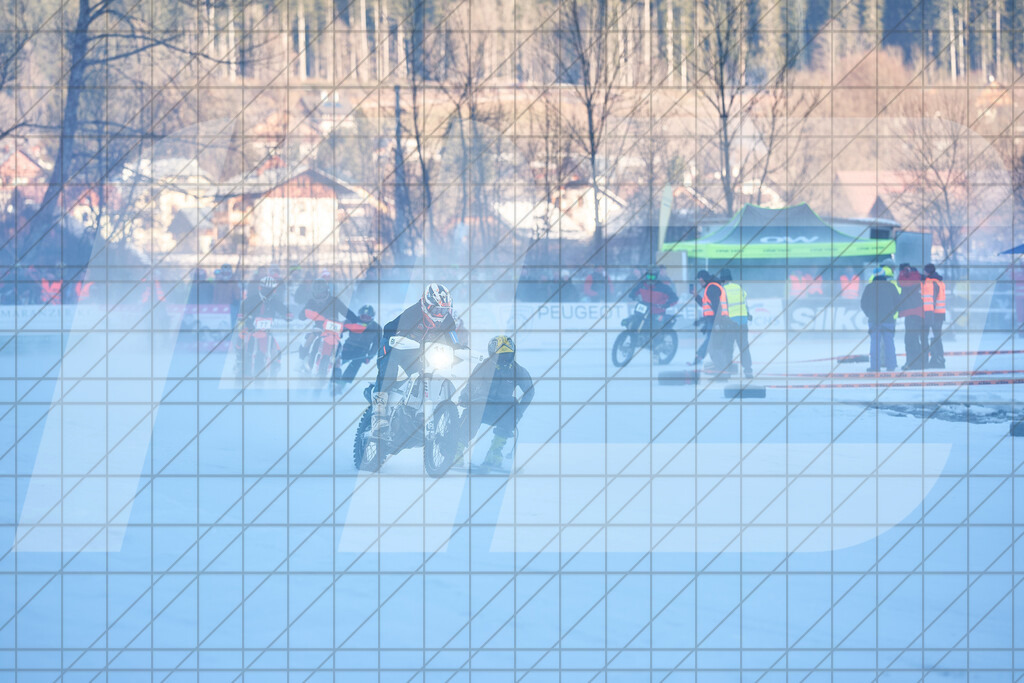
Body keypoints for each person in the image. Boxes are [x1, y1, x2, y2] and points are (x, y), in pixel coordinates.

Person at [372, 284, 463, 438]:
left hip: (415, 353)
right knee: (389, 371)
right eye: (437, 309)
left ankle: (416, 413)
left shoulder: (447, 320)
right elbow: (388, 328)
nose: (440, 313)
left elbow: (452, 338)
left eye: (443, 310)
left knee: (424, 376)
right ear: (426, 304)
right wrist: (399, 337)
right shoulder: (413, 314)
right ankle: (379, 415)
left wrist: (459, 349)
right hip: (395, 347)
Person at [457, 335, 535, 471]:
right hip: (482, 406)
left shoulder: (518, 370)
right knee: (472, 411)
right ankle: (456, 449)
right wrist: (464, 397)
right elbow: (470, 384)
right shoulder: (483, 367)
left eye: (508, 355)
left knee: (513, 407)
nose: (505, 358)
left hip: (502, 411)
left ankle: (495, 452)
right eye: (501, 355)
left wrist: (520, 411)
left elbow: (530, 391)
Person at [298, 271, 358, 367]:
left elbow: (347, 312)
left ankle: (336, 367)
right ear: (313, 293)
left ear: (326, 291)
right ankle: (301, 361)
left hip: (335, 329)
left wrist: (356, 319)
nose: (320, 296)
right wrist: (306, 314)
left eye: (322, 293)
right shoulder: (311, 302)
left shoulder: (334, 301)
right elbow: (301, 316)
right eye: (317, 294)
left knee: (340, 347)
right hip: (319, 327)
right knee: (309, 338)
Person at [234, 273, 291, 374]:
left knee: (276, 348)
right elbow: (242, 309)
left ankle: (276, 364)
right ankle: (239, 360)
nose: (268, 292)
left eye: (271, 290)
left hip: (266, 331)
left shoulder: (275, 301)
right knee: (240, 338)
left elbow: (283, 310)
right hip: (250, 328)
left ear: (274, 290)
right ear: (260, 288)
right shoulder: (251, 299)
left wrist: (288, 315)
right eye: (266, 290)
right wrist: (242, 315)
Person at [860, 268, 901, 373]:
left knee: (874, 344)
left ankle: (875, 367)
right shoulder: (891, 287)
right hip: (888, 320)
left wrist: (869, 314)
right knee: (889, 343)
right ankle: (891, 366)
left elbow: (863, 304)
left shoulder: (869, 287)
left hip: (874, 320)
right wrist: (892, 312)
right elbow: (898, 302)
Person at [334, 304, 381, 387]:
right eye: (363, 317)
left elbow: (376, 344)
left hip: (362, 350)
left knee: (356, 363)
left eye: (368, 317)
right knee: (337, 360)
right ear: (359, 316)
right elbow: (341, 328)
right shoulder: (353, 321)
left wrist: (369, 356)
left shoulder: (376, 327)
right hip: (348, 346)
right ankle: (333, 378)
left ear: (372, 318)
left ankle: (343, 383)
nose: (365, 319)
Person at [719, 269, 753, 378]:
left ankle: (727, 372)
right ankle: (748, 371)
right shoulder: (739, 288)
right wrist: (748, 315)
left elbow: (721, 308)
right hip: (743, 321)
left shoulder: (723, 290)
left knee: (728, 347)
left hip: (731, 323)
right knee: (744, 347)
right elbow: (745, 304)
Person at [897, 264, 926, 370]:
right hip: (917, 313)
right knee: (913, 339)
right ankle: (917, 362)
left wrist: (903, 272)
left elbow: (900, 282)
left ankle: (912, 363)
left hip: (912, 313)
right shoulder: (917, 277)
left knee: (910, 339)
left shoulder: (911, 278)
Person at [921, 263, 946, 368]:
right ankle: (937, 359)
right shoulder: (939, 282)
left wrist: (928, 318)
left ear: (927, 272)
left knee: (935, 338)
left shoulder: (930, 283)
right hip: (939, 314)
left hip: (933, 315)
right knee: (936, 337)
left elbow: (930, 302)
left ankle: (938, 360)